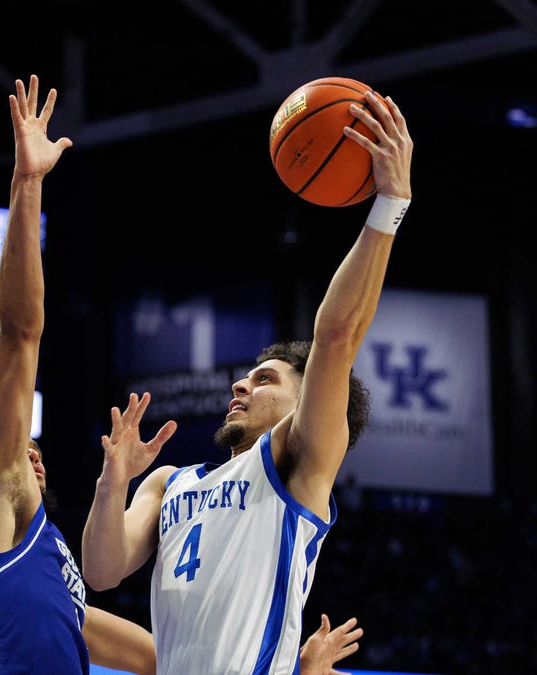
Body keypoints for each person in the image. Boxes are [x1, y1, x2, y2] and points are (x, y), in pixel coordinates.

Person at [0, 74, 369, 675]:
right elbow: (17, 333)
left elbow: (162, 660)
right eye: (14, 449)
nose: (29, 453)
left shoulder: (44, 566)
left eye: (29, 448)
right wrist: (27, 184)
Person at [80, 87, 413, 674]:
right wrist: (113, 482)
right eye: (244, 378)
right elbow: (103, 571)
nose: (239, 387)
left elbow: (335, 338)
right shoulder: (166, 483)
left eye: (264, 379)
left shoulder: (294, 465)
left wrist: (390, 202)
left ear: (305, 401)